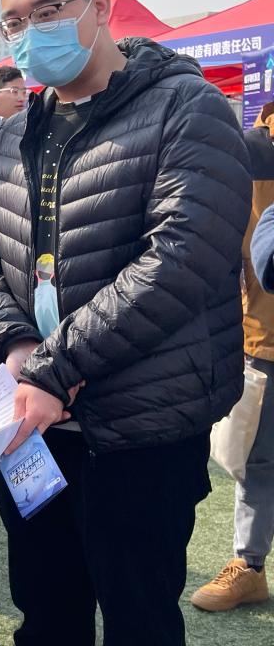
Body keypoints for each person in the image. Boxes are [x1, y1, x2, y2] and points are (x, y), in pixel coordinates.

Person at [0, 0, 251, 646]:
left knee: (139, 617)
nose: (30, 32)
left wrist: (56, 368)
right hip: (32, 425)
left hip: (139, 425)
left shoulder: (187, 108)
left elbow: (183, 258)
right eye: (15, 21)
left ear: (101, 6)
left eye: (47, 10)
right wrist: (15, 344)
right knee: (46, 612)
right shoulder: (14, 132)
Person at [193, 99, 274, 612]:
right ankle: (249, 564)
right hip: (264, 337)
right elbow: (232, 255)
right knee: (255, 459)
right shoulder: (252, 151)